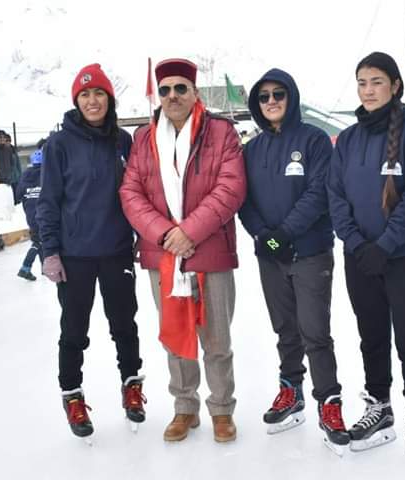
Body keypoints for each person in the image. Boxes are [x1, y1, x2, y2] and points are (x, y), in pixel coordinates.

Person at [120, 58, 246, 443]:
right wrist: (164, 235)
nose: (172, 96)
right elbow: (130, 192)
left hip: (209, 250)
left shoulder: (221, 132)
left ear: (194, 92)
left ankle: (222, 409)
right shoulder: (143, 138)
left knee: (217, 338)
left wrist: (189, 232)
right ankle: (184, 408)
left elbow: (231, 187)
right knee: (175, 334)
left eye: (180, 88)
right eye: (165, 90)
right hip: (164, 256)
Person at [327, 52, 405, 458]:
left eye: (376, 81)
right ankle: (380, 407)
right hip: (360, 259)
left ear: (394, 86)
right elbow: (335, 196)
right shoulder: (350, 139)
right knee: (371, 337)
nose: (368, 90)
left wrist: (386, 245)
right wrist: (357, 245)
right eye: (361, 82)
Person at [238, 68, 350, 451]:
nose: (271, 102)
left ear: (292, 97)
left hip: (310, 251)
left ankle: (329, 402)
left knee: (314, 331)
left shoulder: (315, 140)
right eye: (264, 96)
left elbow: (319, 192)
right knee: (285, 329)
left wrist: (284, 234)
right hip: (271, 256)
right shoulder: (250, 149)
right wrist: (265, 239)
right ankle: (292, 391)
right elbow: (243, 201)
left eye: (278, 94)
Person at [37, 63, 144, 440]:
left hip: (116, 251)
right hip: (75, 255)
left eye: (98, 93)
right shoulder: (59, 145)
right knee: (74, 331)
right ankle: (73, 395)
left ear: (109, 99)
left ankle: (131, 385)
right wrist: (49, 251)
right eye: (85, 95)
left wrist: (142, 234)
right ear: (76, 101)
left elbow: (138, 194)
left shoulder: (123, 141)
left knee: (124, 325)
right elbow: (48, 201)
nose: (92, 100)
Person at [15, 148, 43, 280]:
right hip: (44, 214)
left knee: (40, 240)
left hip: (31, 215)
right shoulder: (46, 175)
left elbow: (18, 195)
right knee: (39, 242)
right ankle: (25, 267)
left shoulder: (24, 176)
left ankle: (44, 267)